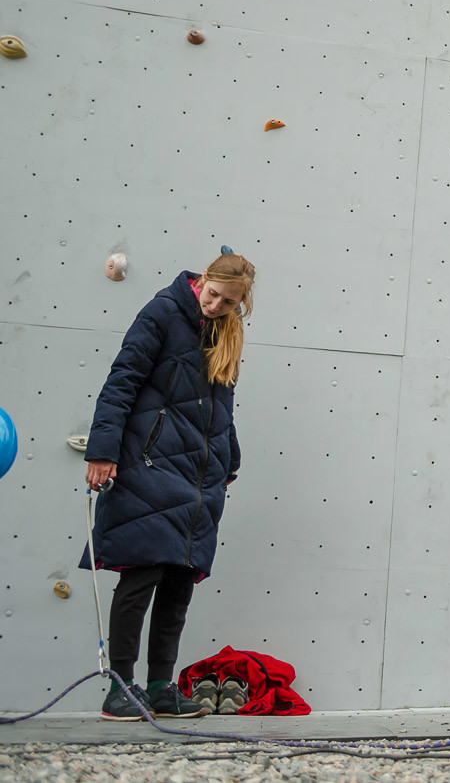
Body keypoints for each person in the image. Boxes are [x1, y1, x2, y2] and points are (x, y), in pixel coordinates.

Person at [82, 249, 255, 721]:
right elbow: (123, 380)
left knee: (179, 583)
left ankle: (160, 686)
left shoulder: (225, 333)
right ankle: (120, 687)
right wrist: (103, 449)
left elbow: (222, 406)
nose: (216, 306)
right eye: (214, 294)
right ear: (202, 279)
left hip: (200, 475)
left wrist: (229, 459)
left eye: (228, 302)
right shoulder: (161, 311)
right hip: (149, 463)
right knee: (141, 574)